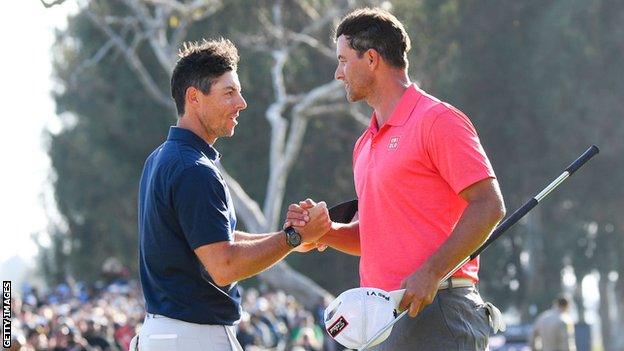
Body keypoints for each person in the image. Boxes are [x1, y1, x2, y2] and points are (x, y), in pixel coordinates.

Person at [286, 7, 506, 351]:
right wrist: (325, 231)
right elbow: (375, 236)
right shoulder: (364, 143)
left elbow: (489, 205)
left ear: (371, 59)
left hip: (440, 312)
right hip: (382, 320)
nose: (338, 73)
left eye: (344, 61)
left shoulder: (437, 120)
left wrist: (432, 271)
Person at [136, 38, 330, 351]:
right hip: (195, 338)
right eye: (229, 92)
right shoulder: (193, 169)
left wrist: (289, 238)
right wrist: (292, 239)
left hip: (163, 334)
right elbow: (224, 266)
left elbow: (212, 239)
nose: (241, 102)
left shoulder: (162, 158)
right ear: (194, 98)